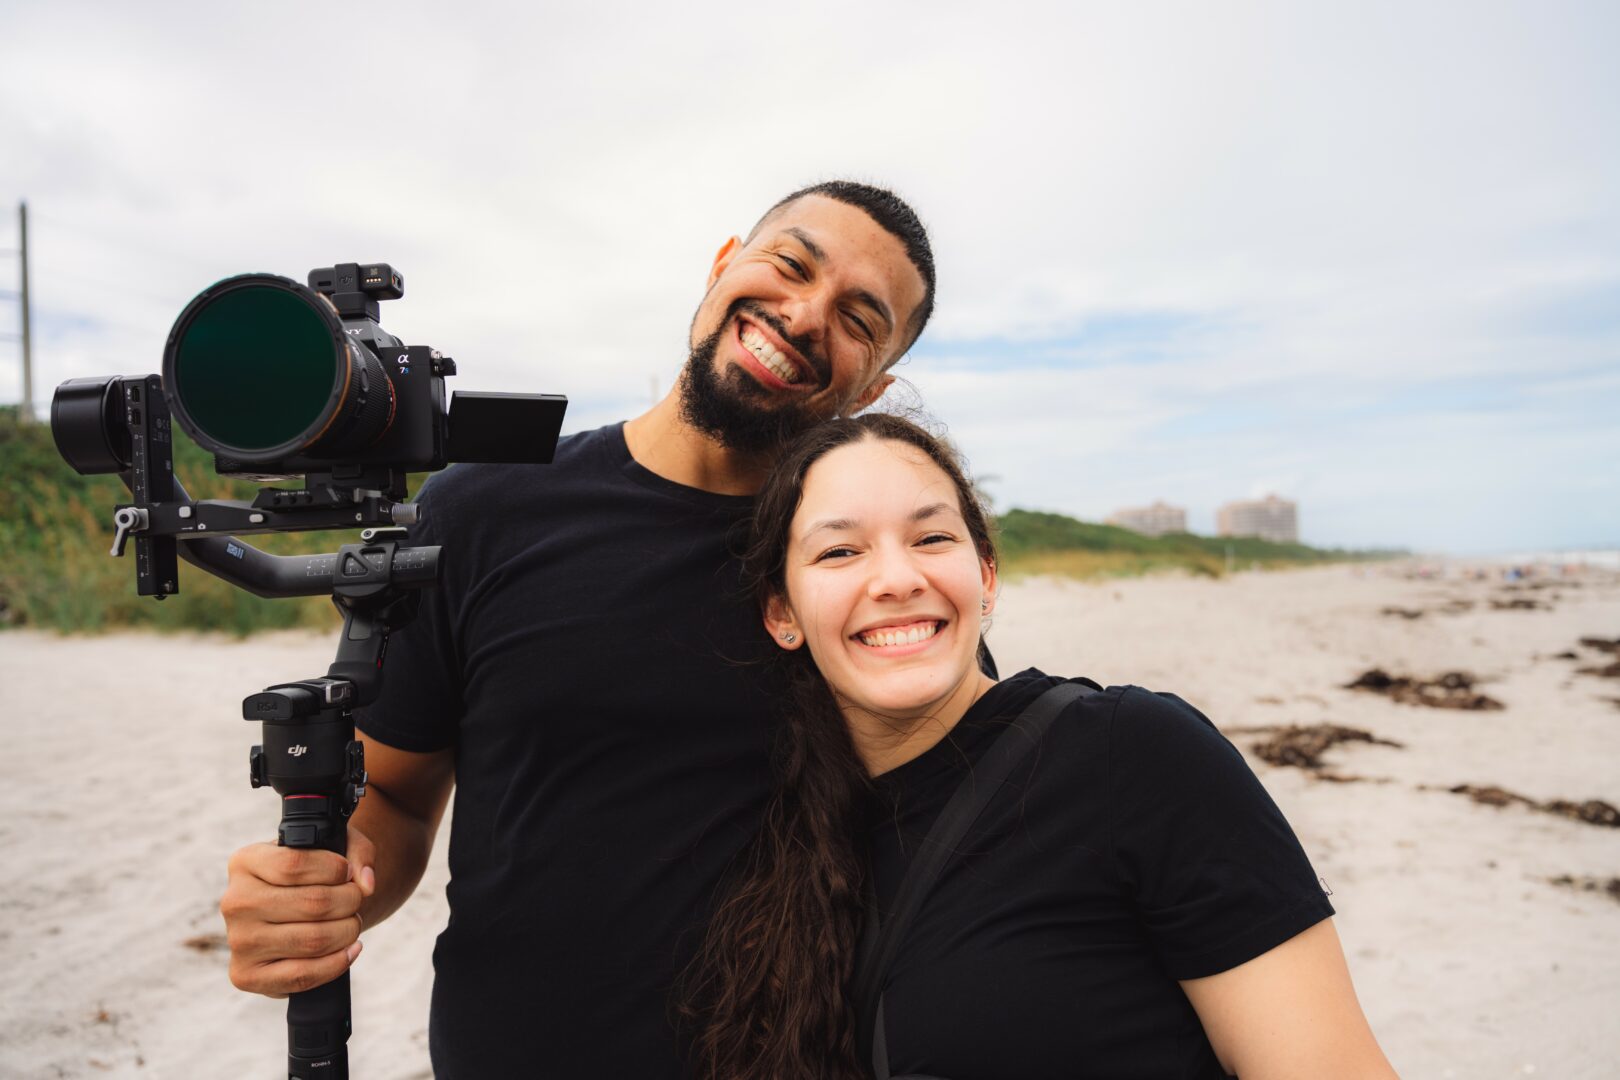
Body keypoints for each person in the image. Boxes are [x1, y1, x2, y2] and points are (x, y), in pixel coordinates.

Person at [218, 181, 936, 1077]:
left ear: (876, 386)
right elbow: (394, 795)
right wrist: (326, 888)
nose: (803, 315)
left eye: (859, 319)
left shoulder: (876, 569)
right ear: (723, 266)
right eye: (790, 264)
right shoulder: (484, 509)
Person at [682, 413, 1399, 1079]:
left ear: (986, 577)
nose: (897, 579)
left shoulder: (1133, 754)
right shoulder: (773, 832)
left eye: (932, 539)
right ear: (782, 611)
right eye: (840, 551)